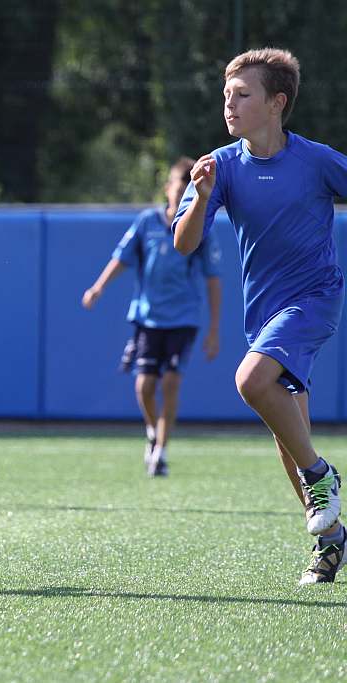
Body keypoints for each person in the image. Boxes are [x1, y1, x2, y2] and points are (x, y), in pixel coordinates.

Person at [173, 48, 347, 584]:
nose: (230, 104)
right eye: (226, 95)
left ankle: (322, 475)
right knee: (287, 431)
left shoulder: (316, 160)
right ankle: (330, 541)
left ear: (277, 103)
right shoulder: (218, 166)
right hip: (263, 312)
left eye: (242, 95)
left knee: (251, 381)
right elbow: (183, 244)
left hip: (315, 298)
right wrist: (200, 198)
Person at [82, 158, 222, 477]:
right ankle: (151, 430)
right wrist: (98, 287)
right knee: (145, 384)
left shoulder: (201, 227)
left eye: (189, 184)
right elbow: (122, 257)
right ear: (167, 187)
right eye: (178, 183)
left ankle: (161, 449)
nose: (182, 189)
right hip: (148, 319)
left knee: (171, 382)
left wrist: (214, 329)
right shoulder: (148, 222)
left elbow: (214, 279)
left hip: (183, 318)